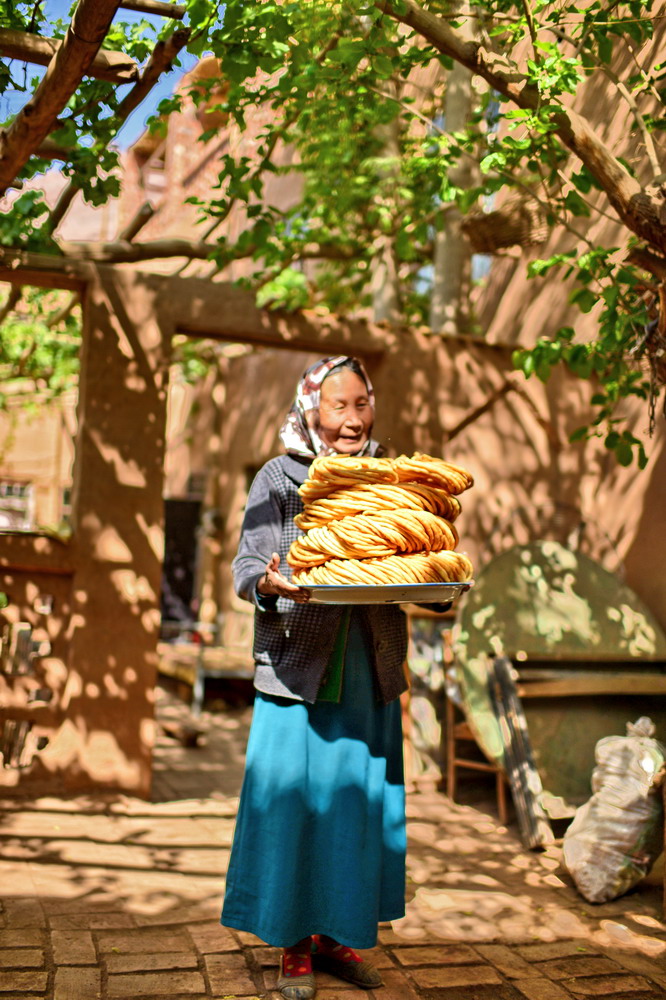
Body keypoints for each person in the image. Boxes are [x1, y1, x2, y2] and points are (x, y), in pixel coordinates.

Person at [221, 356, 410, 1000]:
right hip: (297, 668)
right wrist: (270, 582)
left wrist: (436, 587)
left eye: (362, 404)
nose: (353, 419)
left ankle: (337, 932)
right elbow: (247, 565)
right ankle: (293, 944)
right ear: (311, 410)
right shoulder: (280, 477)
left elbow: (418, 561)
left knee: (354, 808)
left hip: (368, 671)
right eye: (339, 406)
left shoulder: (392, 476)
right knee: (293, 807)